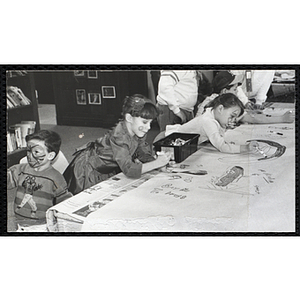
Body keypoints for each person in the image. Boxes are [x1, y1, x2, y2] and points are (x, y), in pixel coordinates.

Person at [63, 94, 171, 195]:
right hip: (89, 170)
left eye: (150, 123)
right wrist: (156, 164)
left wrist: (157, 163)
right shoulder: (119, 137)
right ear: (129, 118)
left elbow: (141, 152)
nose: (149, 127)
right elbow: (129, 170)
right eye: (144, 122)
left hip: (108, 166)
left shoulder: (139, 131)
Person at [7, 130, 72, 228]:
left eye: (36, 152)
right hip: (18, 221)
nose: (29, 155)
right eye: (28, 150)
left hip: (43, 224)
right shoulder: (20, 169)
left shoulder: (56, 178)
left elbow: (64, 201)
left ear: (50, 155)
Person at [163, 93, 258, 154]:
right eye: (232, 116)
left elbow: (218, 135)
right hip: (168, 142)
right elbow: (222, 146)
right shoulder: (208, 121)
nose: (232, 120)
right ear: (220, 109)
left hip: (181, 144)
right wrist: (246, 148)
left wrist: (225, 127)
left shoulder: (212, 114)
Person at [196, 71, 294, 125]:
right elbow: (254, 119)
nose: (237, 92)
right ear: (225, 91)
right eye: (235, 89)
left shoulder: (214, 99)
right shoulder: (215, 104)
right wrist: (282, 118)